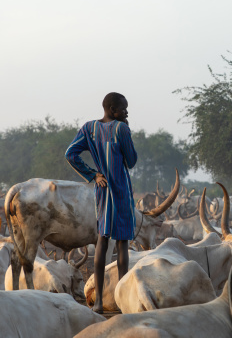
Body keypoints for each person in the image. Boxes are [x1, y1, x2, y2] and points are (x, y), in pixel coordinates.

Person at [65, 92, 137, 313]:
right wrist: (127, 128)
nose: (126, 112)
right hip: (121, 191)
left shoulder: (89, 128)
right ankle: (123, 300)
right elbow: (132, 161)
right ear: (113, 108)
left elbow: (71, 154)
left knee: (102, 241)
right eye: (123, 108)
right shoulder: (121, 129)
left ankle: (98, 303)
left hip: (103, 190)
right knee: (122, 242)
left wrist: (93, 175)